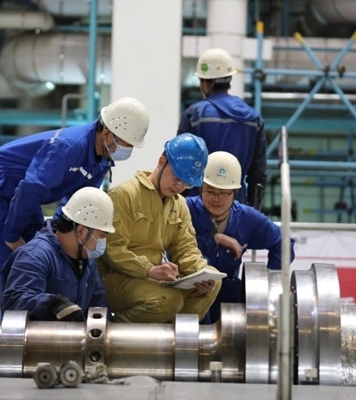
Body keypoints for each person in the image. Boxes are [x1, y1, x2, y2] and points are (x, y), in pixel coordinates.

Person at [0, 97, 149, 318]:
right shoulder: (69, 146)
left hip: (24, 193)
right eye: (126, 144)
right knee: (2, 256)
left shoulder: (101, 162)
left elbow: (75, 205)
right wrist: (12, 234)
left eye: (131, 146)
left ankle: (40, 316)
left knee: (39, 251)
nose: (127, 150)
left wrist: (63, 234)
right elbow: (32, 188)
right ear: (107, 133)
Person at [97, 133, 222, 323]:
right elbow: (112, 250)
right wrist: (148, 270)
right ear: (161, 162)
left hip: (155, 280)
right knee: (168, 300)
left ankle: (175, 335)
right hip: (117, 277)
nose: (179, 186)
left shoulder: (179, 205)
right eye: (177, 177)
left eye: (186, 182)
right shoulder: (123, 196)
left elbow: (186, 249)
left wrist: (201, 272)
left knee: (212, 284)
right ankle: (115, 329)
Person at [186, 151, 296, 323]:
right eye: (210, 191)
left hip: (225, 291)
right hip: (188, 289)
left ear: (235, 192)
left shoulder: (247, 219)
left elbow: (283, 243)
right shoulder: (185, 209)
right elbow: (170, 242)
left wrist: (270, 280)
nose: (216, 198)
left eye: (224, 193)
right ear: (201, 187)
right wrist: (214, 240)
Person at [0, 187, 114, 321]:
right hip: (35, 335)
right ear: (81, 232)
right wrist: (53, 304)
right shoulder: (34, 255)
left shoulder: (87, 262)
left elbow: (98, 305)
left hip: (70, 334)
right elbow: (16, 300)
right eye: (101, 235)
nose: (102, 242)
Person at [177, 47, 267, 206]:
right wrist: (252, 212)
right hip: (235, 206)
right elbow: (258, 176)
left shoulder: (195, 115)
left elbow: (180, 165)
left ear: (206, 82)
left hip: (196, 205)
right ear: (229, 79)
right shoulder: (253, 119)